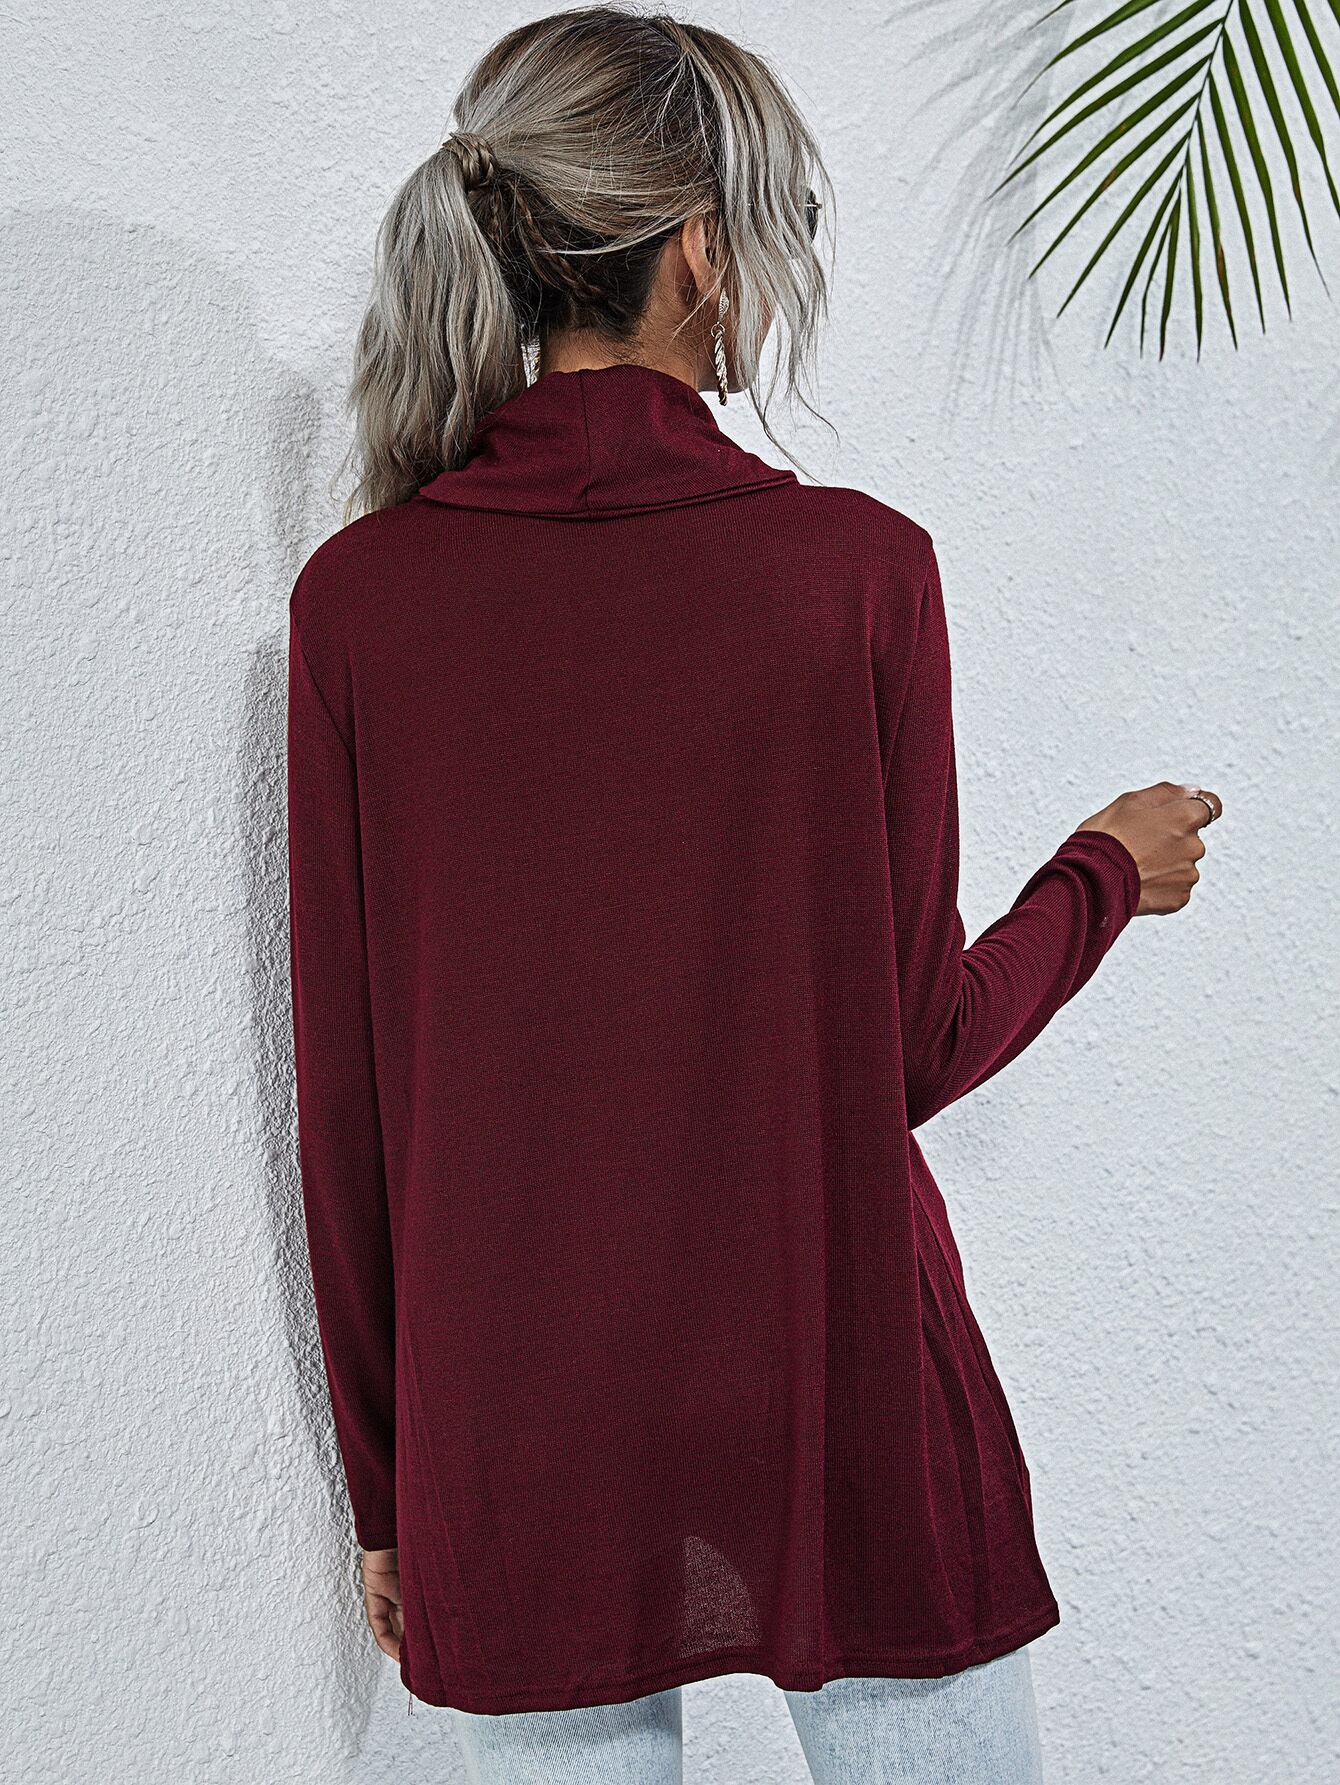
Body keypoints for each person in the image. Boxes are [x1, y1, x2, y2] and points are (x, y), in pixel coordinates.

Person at [285, 8, 1221, 1781]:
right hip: (835, 1392)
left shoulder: (360, 605)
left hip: (515, 1436)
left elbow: (354, 1115)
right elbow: (916, 1045)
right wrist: (1103, 876)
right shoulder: (856, 574)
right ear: (702, 249)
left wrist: (394, 1484)